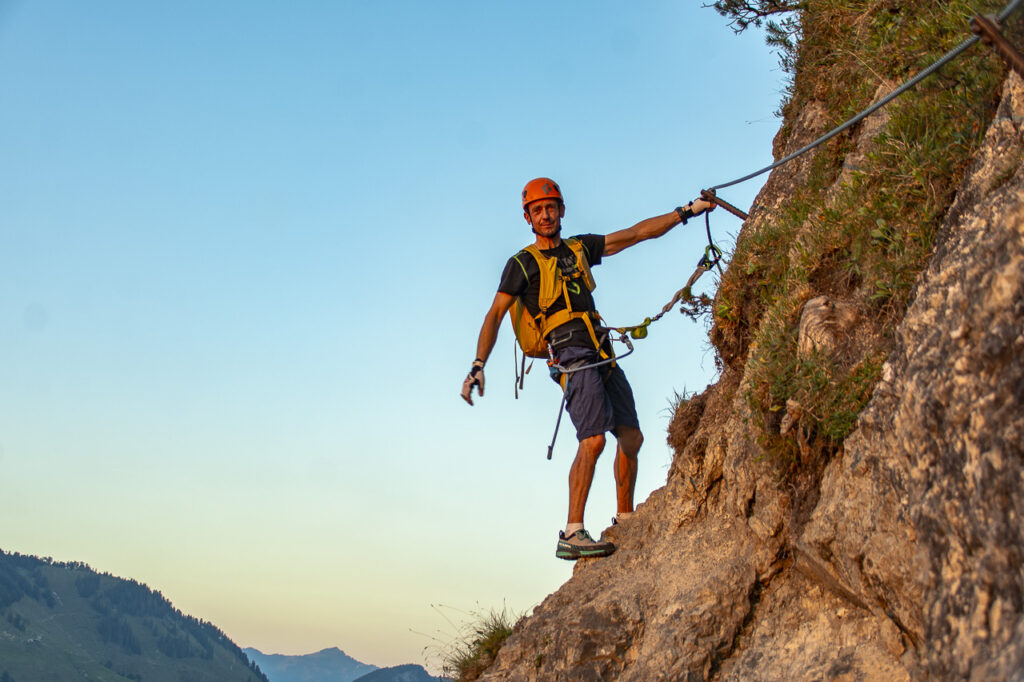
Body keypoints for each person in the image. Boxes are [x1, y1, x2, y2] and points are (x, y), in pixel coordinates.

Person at [461, 177, 714, 560]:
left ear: (561, 210)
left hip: (600, 347)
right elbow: (495, 314)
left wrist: (687, 212)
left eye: (551, 207)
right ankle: (572, 531)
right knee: (593, 439)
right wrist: (478, 364)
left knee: (631, 437)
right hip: (570, 353)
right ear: (527, 217)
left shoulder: (579, 248)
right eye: (537, 210)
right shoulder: (522, 263)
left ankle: (625, 518)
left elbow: (635, 234)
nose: (545, 215)